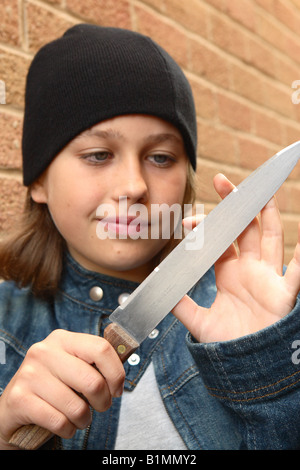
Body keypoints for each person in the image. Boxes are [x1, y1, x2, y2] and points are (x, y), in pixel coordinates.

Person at [0, 23, 299, 451]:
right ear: (39, 181)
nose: (134, 186)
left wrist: (268, 370)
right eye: (99, 154)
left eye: (161, 157)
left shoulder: (267, 321)